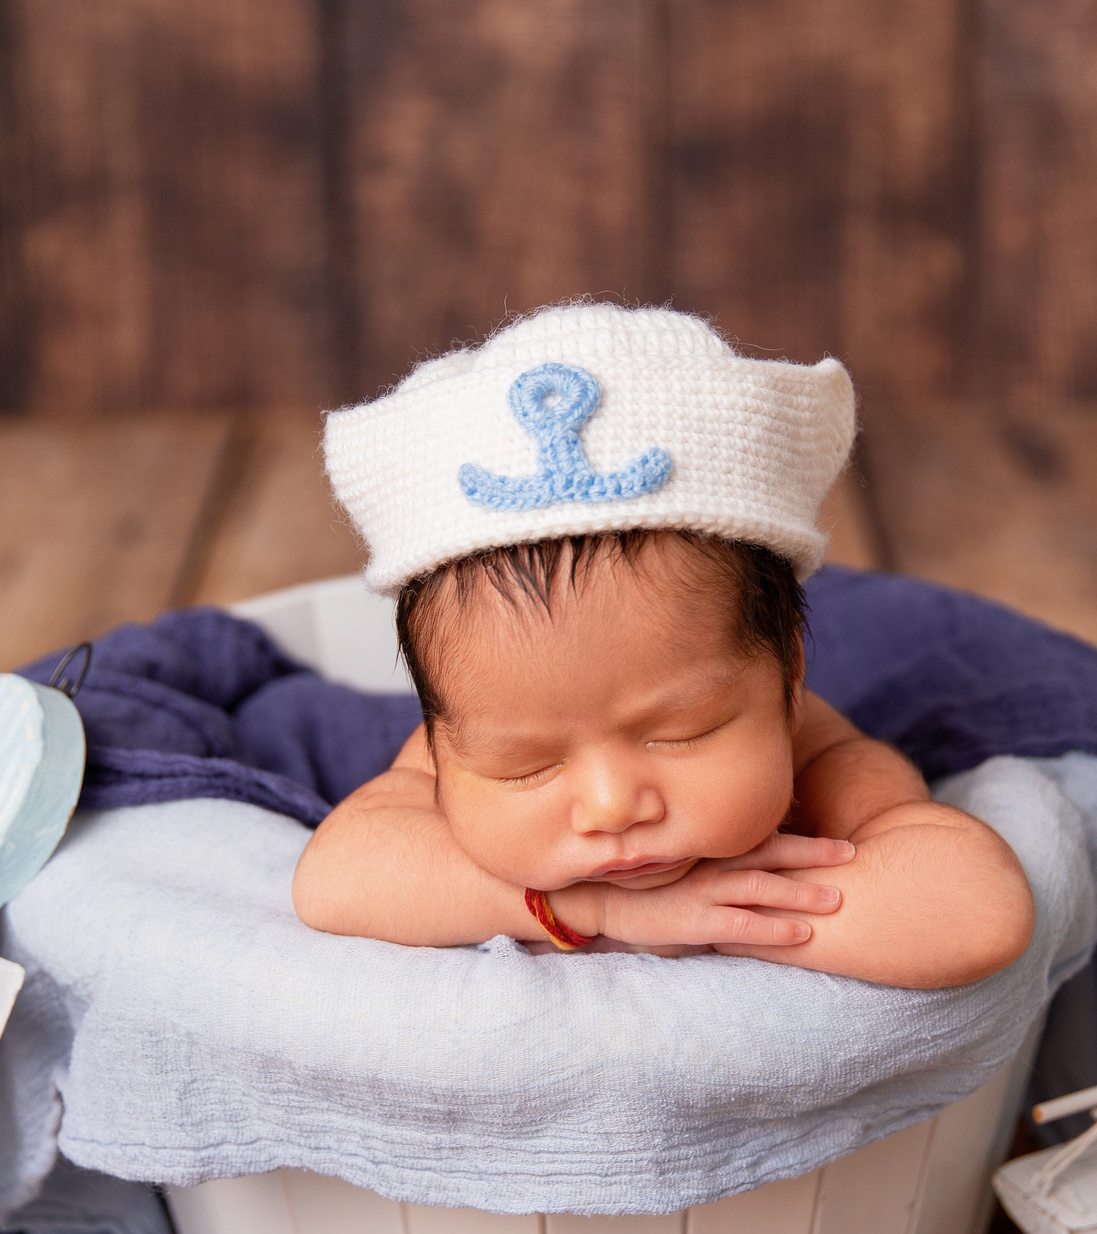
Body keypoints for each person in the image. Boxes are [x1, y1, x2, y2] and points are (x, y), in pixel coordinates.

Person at [292, 303, 1034, 990]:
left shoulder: (824, 763)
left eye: (681, 732)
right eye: (529, 767)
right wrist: (602, 912)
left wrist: (725, 917)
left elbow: (976, 909)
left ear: (787, 682)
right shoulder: (457, 744)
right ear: (447, 732)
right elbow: (338, 877)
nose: (613, 806)